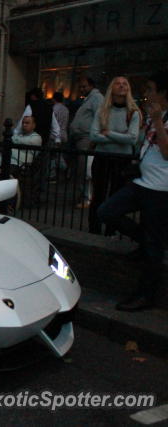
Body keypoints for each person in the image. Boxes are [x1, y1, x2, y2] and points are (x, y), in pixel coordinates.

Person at [98, 71, 168, 311]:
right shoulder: (153, 115)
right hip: (143, 182)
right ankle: (145, 240)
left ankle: (145, 295)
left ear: (163, 93)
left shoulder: (161, 117)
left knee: (153, 249)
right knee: (107, 211)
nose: (146, 94)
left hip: (161, 189)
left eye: (150, 89)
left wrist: (158, 121)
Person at [88, 76, 141, 235]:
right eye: (118, 83)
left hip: (122, 160)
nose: (121, 86)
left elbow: (132, 138)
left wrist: (108, 133)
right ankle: (94, 230)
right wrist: (120, 136)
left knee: (116, 196)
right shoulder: (102, 110)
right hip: (102, 158)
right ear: (112, 87)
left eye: (125, 83)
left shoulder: (133, 113)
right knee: (98, 195)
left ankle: (110, 232)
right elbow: (94, 135)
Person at [69, 77, 104, 208]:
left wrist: (94, 138)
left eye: (85, 86)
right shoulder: (87, 99)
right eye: (81, 87)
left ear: (91, 86)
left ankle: (87, 198)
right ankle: (84, 196)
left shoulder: (96, 98)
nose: (82, 89)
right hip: (81, 138)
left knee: (85, 170)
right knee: (82, 170)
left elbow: (99, 117)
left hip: (87, 138)